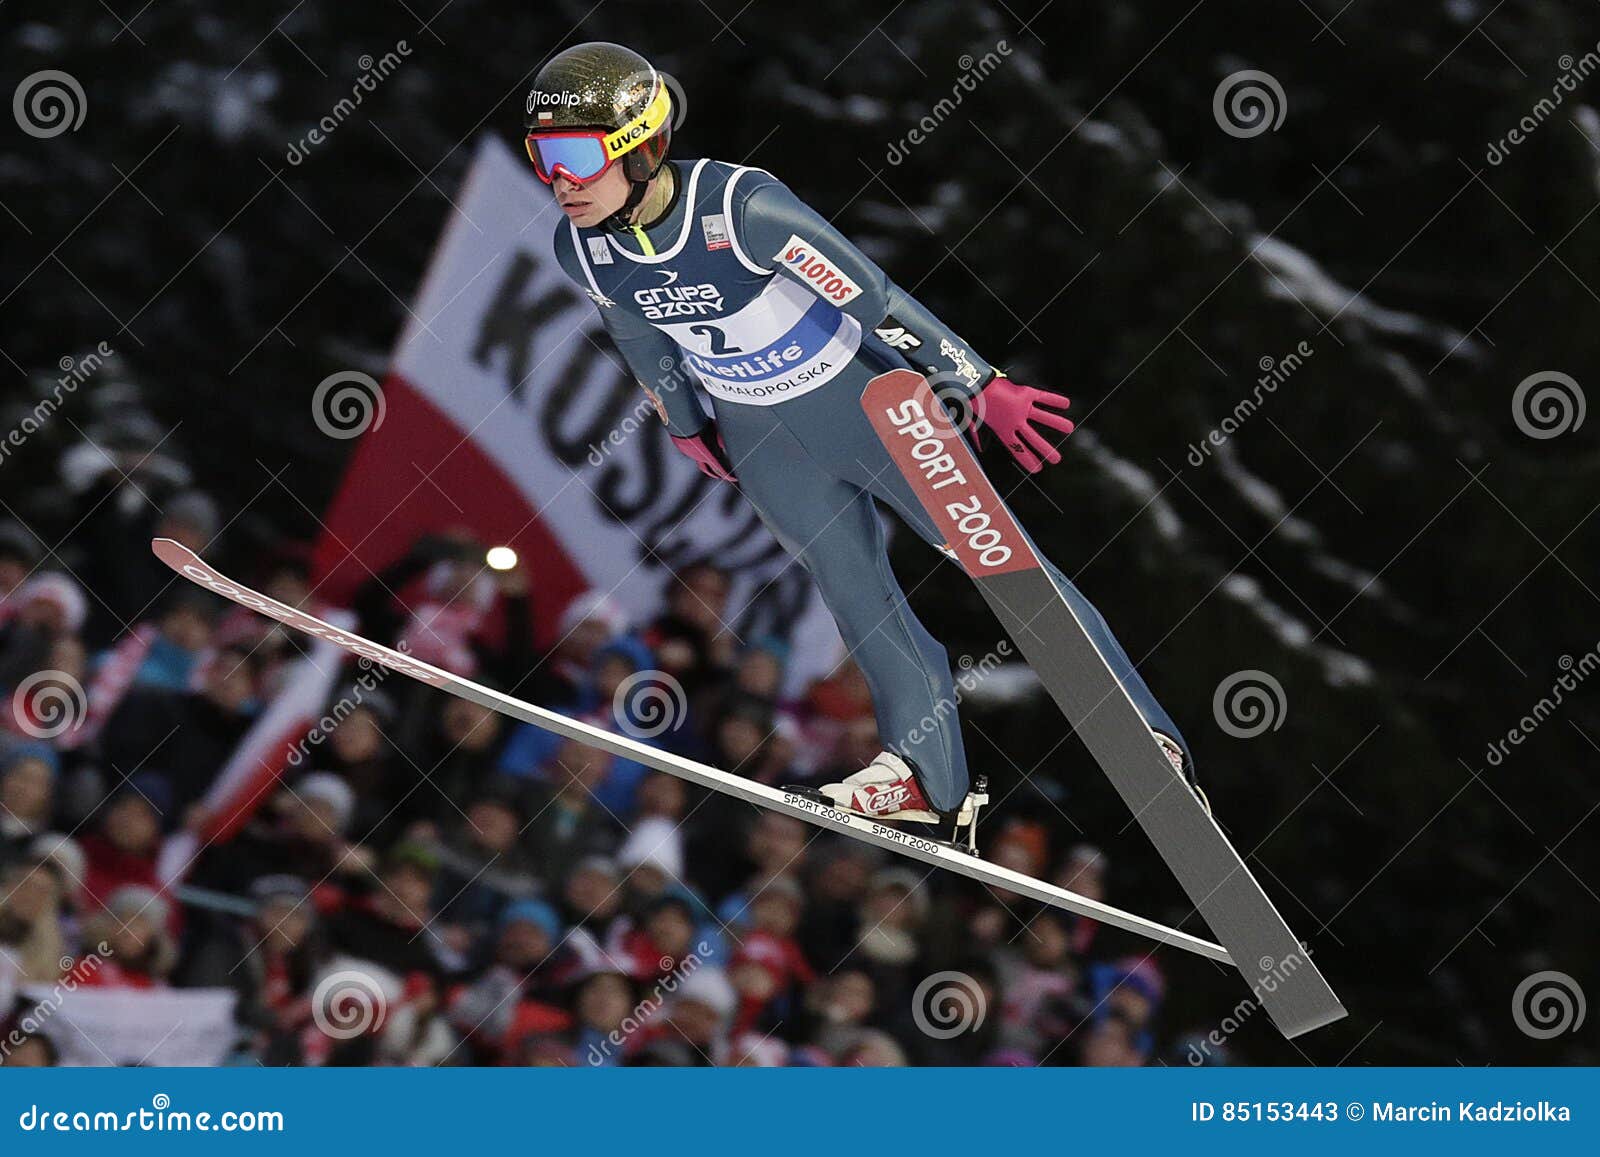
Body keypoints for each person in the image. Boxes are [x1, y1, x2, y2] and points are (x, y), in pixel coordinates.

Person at [525, 42, 1198, 845]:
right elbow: (635, 328)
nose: (558, 180)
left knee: (998, 563)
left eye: (573, 155)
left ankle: (1141, 731)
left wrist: (978, 380)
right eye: (542, 157)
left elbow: (874, 296)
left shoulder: (742, 210)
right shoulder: (584, 246)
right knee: (854, 595)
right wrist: (683, 421)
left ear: (642, 146)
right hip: (762, 434)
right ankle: (930, 781)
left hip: (867, 404)